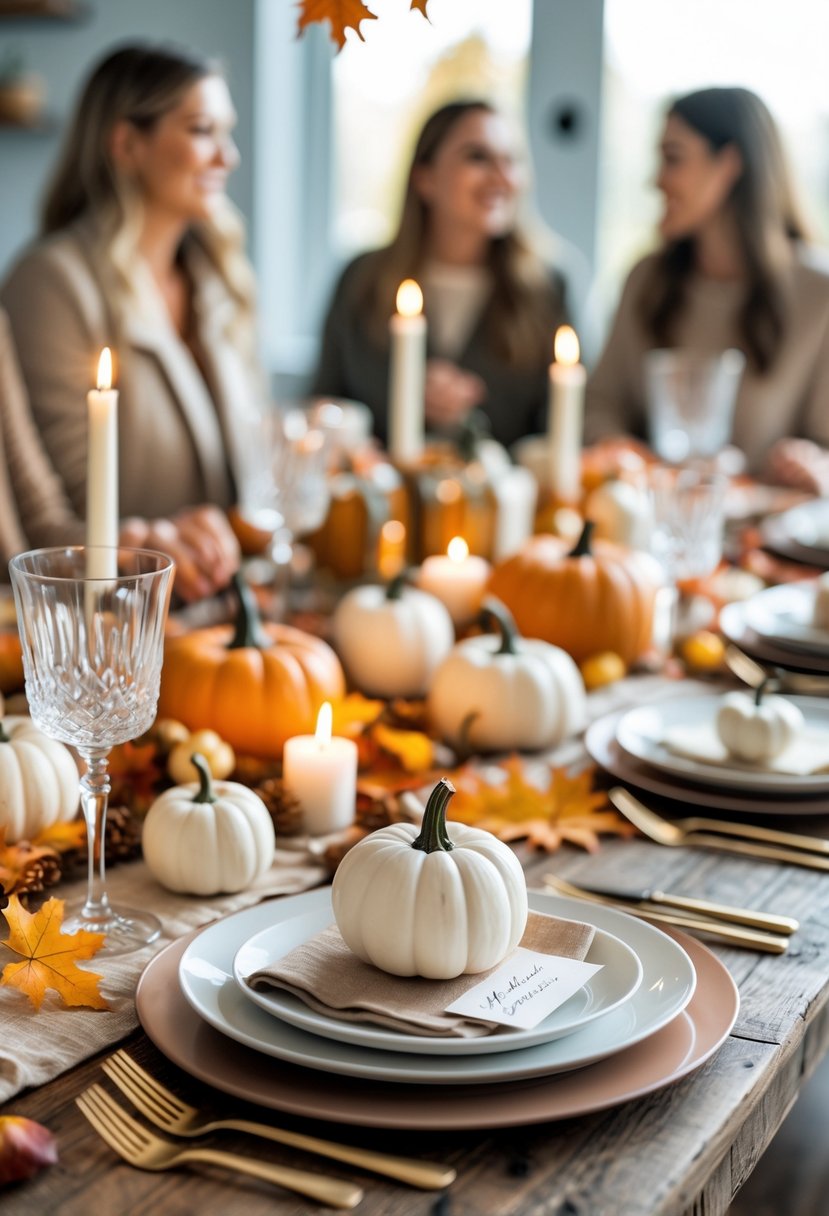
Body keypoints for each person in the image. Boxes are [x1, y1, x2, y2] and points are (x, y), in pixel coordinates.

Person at [0, 41, 262, 600]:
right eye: (201, 130)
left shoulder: (218, 280)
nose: (228, 156)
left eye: (227, 130)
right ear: (126, 144)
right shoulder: (52, 283)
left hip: (222, 601)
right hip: (117, 620)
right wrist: (156, 544)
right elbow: (59, 515)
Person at [585, 86, 829, 491]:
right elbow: (600, 403)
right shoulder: (646, 280)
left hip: (767, 540)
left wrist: (811, 464)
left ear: (729, 163)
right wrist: (624, 454)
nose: (656, 180)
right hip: (653, 522)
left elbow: (824, 450)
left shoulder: (818, 294)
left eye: (673, 159)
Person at [311, 99, 572, 450]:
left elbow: (565, 430)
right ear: (426, 177)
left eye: (512, 160)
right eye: (477, 157)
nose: (502, 177)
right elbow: (326, 403)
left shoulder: (549, 288)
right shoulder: (362, 281)